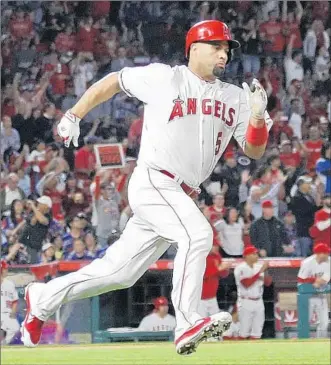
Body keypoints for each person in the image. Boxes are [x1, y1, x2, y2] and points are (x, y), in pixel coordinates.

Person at [21, 20, 273, 355]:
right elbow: (113, 81)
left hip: (181, 195)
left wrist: (256, 117)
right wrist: (75, 114)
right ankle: (186, 322)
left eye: (227, 48)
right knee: (197, 235)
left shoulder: (236, 97)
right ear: (194, 48)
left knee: (119, 272)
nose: (224, 53)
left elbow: (254, 150)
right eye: (216, 45)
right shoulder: (165, 77)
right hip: (155, 179)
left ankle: (43, 297)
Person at [234, 245, 271, 339]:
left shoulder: (259, 266)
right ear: (247, 256)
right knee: (243, 332)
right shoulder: (240, 268)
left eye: (256, 253)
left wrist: (265, 271)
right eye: (253, 254)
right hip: (245, 301)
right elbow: (246, 284)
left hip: (259, 301)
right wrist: (260, 272)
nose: (256, 256)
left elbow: (268, 283)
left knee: (257, 331)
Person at [297, 243, 330, 338]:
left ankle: (321, 342)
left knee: (324, 322)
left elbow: (325, 278)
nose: (328, 254)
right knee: (305, 321)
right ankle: (303, 343)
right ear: (320, 254)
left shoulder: (329, 262)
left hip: (321, 294)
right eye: (326, 252)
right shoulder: (307, 263)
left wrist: (320, 281)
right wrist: (314, 280)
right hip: (306, 296)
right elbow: (300, 279)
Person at [198, 241, 230, 317]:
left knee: (216, 322)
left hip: (212, 297)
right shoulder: (200, 257)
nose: (217, 248)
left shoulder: (217, 256)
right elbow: (203, 275)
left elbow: (223, 275)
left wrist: (225, 269)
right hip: (200, 299)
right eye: (214, 246)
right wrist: (219, 269)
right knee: (202, 323)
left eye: (217, 246)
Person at [290, 176, 319, 257]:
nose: (310, 185)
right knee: (305, 256)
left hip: (311, 231)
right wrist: (319, 207)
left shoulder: (309, 197)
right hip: (304, 232)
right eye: (308, 183)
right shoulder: (296, 198)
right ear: (301, 185)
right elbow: (306, 211)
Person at [1, 260, 20, 345]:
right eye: (5, 268)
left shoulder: (9, 284)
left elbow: (15, 301)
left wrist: (13, 312)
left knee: (15, 327)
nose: (6, 270)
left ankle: (3, 344)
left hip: (6, 314)